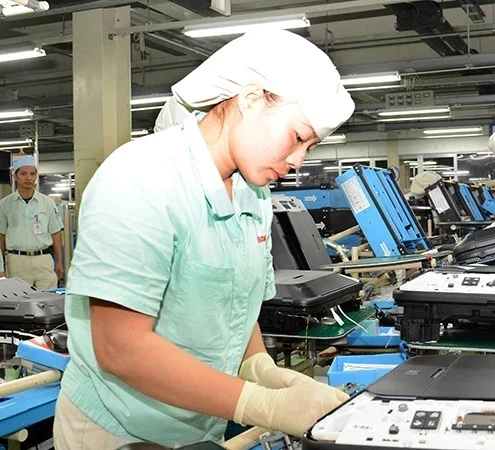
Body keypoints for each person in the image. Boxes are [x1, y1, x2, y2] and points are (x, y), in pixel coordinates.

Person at [53, 29, 355, 449]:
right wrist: (258, 404)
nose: (298, 160)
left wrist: (260, 368)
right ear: (251, 99)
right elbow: (120, 347)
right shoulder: (141, 179)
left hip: (198, 426)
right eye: (299, 137)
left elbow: (235, 301)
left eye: (311, 146)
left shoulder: (254, 193)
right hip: (118, 430)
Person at [0, 155, 64, 289]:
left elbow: (55, 233)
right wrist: (1, 267)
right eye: (23, 174)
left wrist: (59, 261)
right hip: (17, 260)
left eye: (32, 174)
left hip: (44, 258)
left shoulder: (47, 203)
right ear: (15, 176)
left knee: (48, 301)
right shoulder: (5, 205)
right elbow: (1, 236)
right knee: (20, 301)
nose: (28, 178)